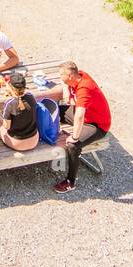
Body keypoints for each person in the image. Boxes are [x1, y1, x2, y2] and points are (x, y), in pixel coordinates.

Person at [48, 61, 111, 193]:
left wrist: (75, 137)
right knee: (55, 111)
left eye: (62, 75)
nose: (60, 77)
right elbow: (72, 101)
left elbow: (80, 116)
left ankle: (70, 182)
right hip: (87, 114)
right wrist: (66, 87)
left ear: (70, 75)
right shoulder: (79, 75)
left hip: (97, 125)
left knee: (73, 145)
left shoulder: (84, 88)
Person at [0, 69, 39, 152]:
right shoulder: (31, 97)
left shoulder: (10, 103)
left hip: (17, 143)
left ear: (10, 86)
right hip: (34, 140)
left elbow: (6, 126)